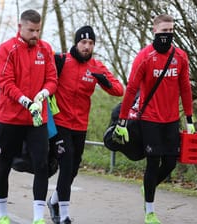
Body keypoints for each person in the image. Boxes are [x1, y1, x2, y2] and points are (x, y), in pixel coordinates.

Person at [113, 14, 195, 224]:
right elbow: (131, 89)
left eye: (170, 31)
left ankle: (147, 186)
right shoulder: (145, 57)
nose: (167, 35)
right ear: (154, 31)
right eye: (163, 31)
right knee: (153, 162)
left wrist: (189, 118)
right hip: (149, 118)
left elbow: (185, 88)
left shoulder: (180, 57)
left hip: (171, 119)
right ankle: (149, 211)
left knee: (169, 164)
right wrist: (122, 120)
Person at [46, 25, 124, 224]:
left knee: (73, 169)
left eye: (90, 43)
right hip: (60, 123)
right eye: (83, 42)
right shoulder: (62, 60)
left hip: (80, 126)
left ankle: (54, 200)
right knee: (66, 164)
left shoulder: (96, 66)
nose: (87, 46)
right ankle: (64, 215)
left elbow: (119, 90)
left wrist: (104, 81)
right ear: (76, 42)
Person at [0, 9, 57, 224]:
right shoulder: (6, 49)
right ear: (20, 27)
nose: (35, 35)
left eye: (38, 30)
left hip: (37, 120)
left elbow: (52, 80)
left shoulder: (45, 49)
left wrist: (43, 94)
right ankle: (3, 214)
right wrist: (25, 101)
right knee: (4, 165)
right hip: (9, 118)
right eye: (31, 30)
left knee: (41, 165)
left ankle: (38, 217)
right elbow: (6, 83)